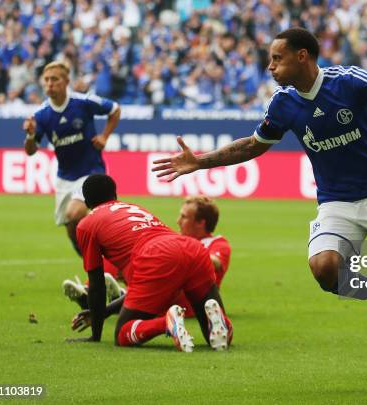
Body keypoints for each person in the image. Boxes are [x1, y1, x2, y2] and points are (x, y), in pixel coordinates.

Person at [152, 28, 367, 390]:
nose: (270, 66)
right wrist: (201, 161)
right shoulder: (283, 102)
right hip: (336, 202)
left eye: (277, 58)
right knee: (324, 269)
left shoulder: (348, 80)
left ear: (302, 56)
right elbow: (253, 146)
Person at [66, 174, 232, 351]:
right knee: (214, 336)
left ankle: (166, 323)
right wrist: (104, 312)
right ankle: (222, 323)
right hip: (192, 248)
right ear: (115, 195)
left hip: (155, 255)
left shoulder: (86, 224)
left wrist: (95, 335)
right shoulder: (133, 207)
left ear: (87, 202)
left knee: (122, 332)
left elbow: (97, 284)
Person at [23, 61, 121, 256]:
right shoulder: (41, 115)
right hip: (65, 177)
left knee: (74, 213)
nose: (50, 84)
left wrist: (104, 136)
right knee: (72, 232)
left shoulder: (83, 102)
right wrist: (31, 135)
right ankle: (97, 275)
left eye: (55, 79)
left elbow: (115, 109)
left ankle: (107, 258)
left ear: (66, 81)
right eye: (47, 80)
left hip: (91, 171)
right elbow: (31, 151)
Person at [175, 196, 232, 317]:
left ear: (201, 222)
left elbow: (215, 262)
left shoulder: (219, 244)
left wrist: (181, 251)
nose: (178, 221)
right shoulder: (176, 240)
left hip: (190, 307)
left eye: (184, 217)